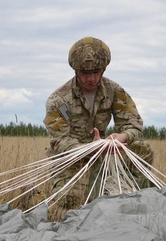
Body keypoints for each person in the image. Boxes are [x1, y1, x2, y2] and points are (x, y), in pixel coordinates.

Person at [44, 36, 154, 205]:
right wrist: (92, 148)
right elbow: (60, 142)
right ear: (76, 71)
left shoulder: (114, 91)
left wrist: (120, 138)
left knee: (142, 149)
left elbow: (133, 124)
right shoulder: (59, 100)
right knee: (70, 205)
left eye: (96, 72)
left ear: (103, 70)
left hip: (106, 153)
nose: (92, 78)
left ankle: (138, 199)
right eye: (86, 73)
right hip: (73, 159)